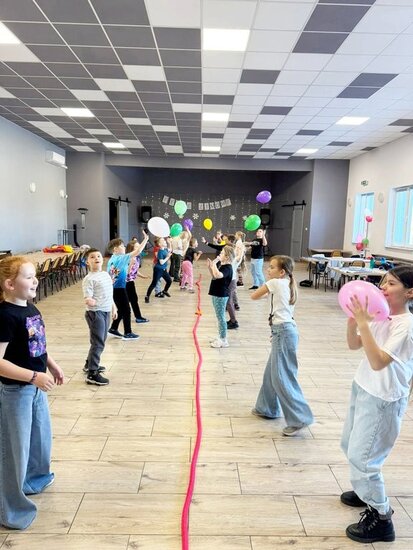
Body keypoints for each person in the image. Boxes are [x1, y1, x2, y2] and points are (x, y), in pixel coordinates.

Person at [340, 266, 413, 544]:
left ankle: (381, 518)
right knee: (350, 445)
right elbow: (354, 345)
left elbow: (378, 361)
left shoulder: (405, 325)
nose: (383, 287)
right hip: (363, 387)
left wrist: (363, 323)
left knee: (365, 459)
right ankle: (366, 493)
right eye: (383, 281)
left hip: (383, 398)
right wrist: (353, 322)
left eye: (391, 283)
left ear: (409, 292)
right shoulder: (383, 314)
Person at [0, 256, 64, 530]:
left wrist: (51, 365)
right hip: (17, 391)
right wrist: (34, 376)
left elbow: (37, 345)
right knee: (14, 450)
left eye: (35, 275)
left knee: (40, 438)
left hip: (36, 387)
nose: (36, 280)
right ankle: (11, 509)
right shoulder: (5, 316)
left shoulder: (29, 307)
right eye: (28, 277)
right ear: (10, 284)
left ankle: (34, 479)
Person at [251, 255, 314, 436]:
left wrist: (266, 286)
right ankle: (267, 408)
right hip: (284, 331)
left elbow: (254, 295)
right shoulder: (287, 284)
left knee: (281, 377)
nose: (268, 270)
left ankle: (300, 418)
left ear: (282, 272)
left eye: (272, 267)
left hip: (284, 332)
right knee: (271, 373)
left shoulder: (276, 283)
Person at [82, 248, 117, 386]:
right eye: (92, 257)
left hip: (106, 311)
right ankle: (92, 373)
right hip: (96, 313)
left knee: (100, 339)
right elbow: (87, 297)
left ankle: (89, 363)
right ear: (87, 262)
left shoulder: (105, 275)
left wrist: (113, 307)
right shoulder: (89, 279)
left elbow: (109, 293)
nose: (96, 258)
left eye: (98, 256)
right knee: (98, 342)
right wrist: (89, 300)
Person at [107, 230, 148, 340]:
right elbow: (138, 251)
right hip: (119, 288)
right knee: (126, 310)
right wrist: (146, 239)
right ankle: (128, 333)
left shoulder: (113, 259)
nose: (124, 247)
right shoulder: (121, 257)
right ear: (115, 249)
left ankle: (113, 328)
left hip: (114, 288)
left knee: (121, 309)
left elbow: (115, 273)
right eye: (122, 246)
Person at [207, 245, 234, 348]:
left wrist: (214, 264)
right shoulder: (222, 266)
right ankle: (220, 336)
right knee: (219, 317)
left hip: (221, 295)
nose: (219, 254)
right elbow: (214, 276)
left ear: (227, 257)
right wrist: (210, 267)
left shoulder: (227, 268)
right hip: (216, 293)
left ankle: (223, 340)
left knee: (221, 317)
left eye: (222, 253)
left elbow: (218, 275)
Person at [125, 241, 149, 323]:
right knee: (132, 300)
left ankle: (122, 314)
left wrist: (142, 276)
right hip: (126, 282)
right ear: (132, 249)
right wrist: (130, 265)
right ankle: (138, 317)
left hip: (130, 282)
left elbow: (134, 270)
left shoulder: (137, 257)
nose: (139, 248)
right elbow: (126, 273)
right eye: (137, 246)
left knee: (129, 300)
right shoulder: (129, 258)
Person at [145, 237, 172, 303]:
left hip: (164, 270)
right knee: (154, 283)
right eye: (163, 241)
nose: (165, 241)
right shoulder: (160, 252)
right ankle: (147, 296)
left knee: (169, 281)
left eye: (164, 240)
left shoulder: (165, 249)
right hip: (158, 270)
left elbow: (170, 250)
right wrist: (168, 257)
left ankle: (165, 291)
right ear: (160, 244)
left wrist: (169, 243)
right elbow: (161, 262)